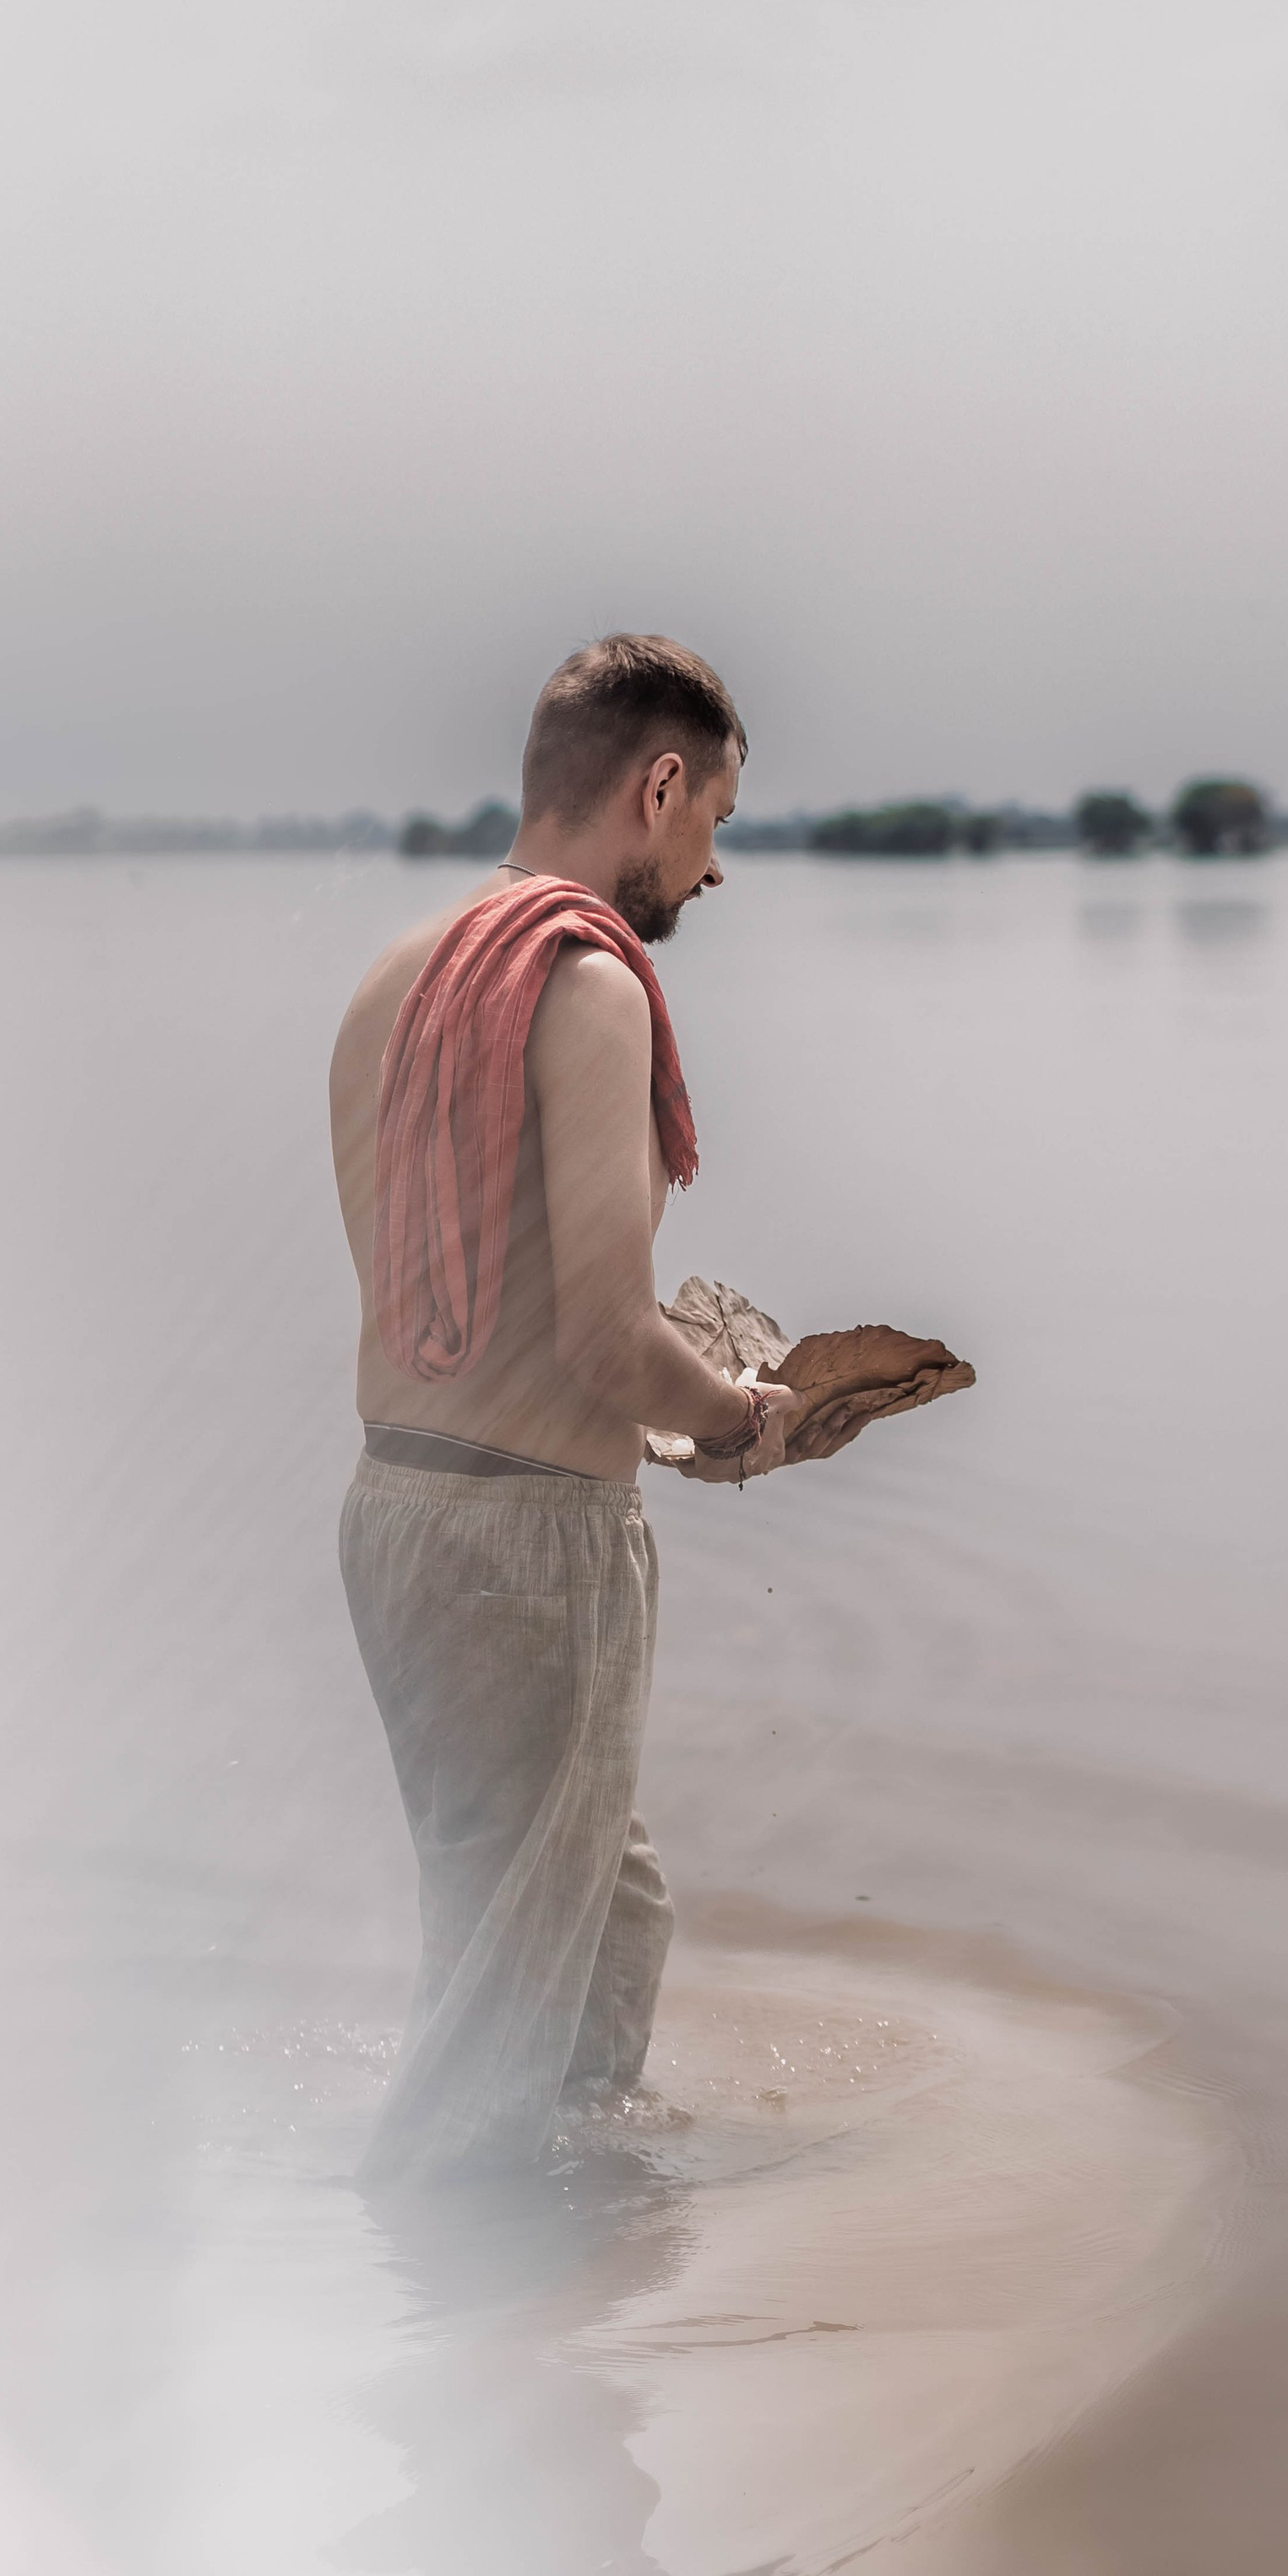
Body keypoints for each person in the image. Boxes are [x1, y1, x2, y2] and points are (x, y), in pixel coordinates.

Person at [329, 634, 797, 2182]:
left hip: (403, 1519)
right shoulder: (586, 981)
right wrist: (736, 1412)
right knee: (500, 2003)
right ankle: (443, 2284)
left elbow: (458, 1320)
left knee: (595, 1921)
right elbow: (603, 1336)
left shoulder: (397, 981)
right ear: (659, 788)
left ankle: (566, 2248)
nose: (713, 866)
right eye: (716, 820)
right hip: (528, 1545)